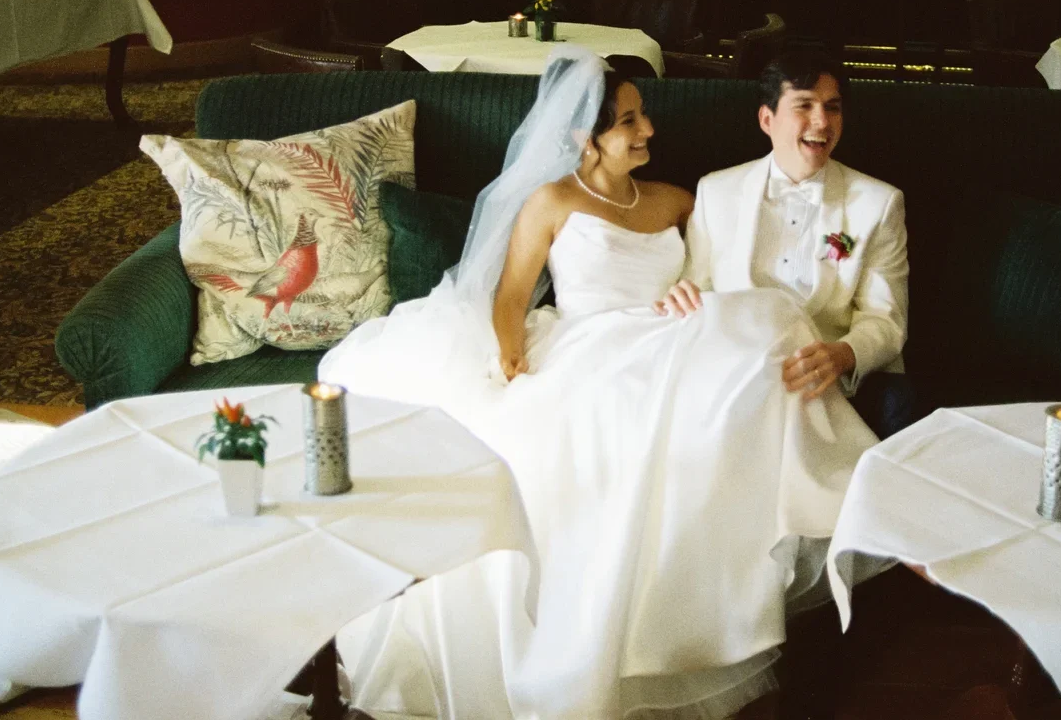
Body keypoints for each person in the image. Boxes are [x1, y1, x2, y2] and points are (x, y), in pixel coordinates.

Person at [318, 46, 877, 720]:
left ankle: (829, 509)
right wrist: (509, 353)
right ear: (586, 136)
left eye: (644, 117)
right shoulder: (551, 201)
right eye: (629, 122)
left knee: (765, 337)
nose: (647, 132)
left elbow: (709, 277)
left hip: (666, 341)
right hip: (583, 345)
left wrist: (685, 295)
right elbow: (510, 295)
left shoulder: (675, 201)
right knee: (592, 445)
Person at [658, 50, 915, 438]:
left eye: (833, 108)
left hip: (826, 381)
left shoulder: (879, 203)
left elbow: (886, 317)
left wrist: (843, 355)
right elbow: (699, 288)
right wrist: (681, 297)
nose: (822, 122)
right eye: (804, 106)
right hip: (737, 373)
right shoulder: (716, 191)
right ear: (767, 119)